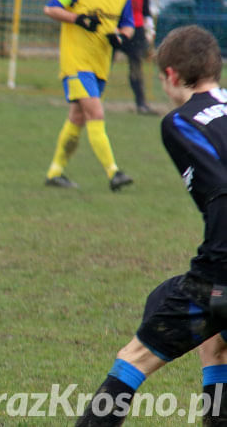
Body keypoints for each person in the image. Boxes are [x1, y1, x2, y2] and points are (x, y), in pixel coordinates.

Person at [75, 24, 227, 426]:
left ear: (171, 75)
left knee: (136, 356)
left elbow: (223, 193)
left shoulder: (181, 122)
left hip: (222, 268)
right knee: (215, 343)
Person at [43, 0, 135, 191]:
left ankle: (55, 173)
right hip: (76, 63)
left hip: (101, 65)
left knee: (77, 118)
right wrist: (78, 19)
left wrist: (121, 37)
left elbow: (128, 24)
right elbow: (51, 8)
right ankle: (113, 173)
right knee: (96, 113)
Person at [117, 0, 157, 116]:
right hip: (115, 24)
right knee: (103, 61)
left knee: (136, 63)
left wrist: (149, 23)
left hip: (137, 24)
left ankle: (141, 104)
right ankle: (92, 99)